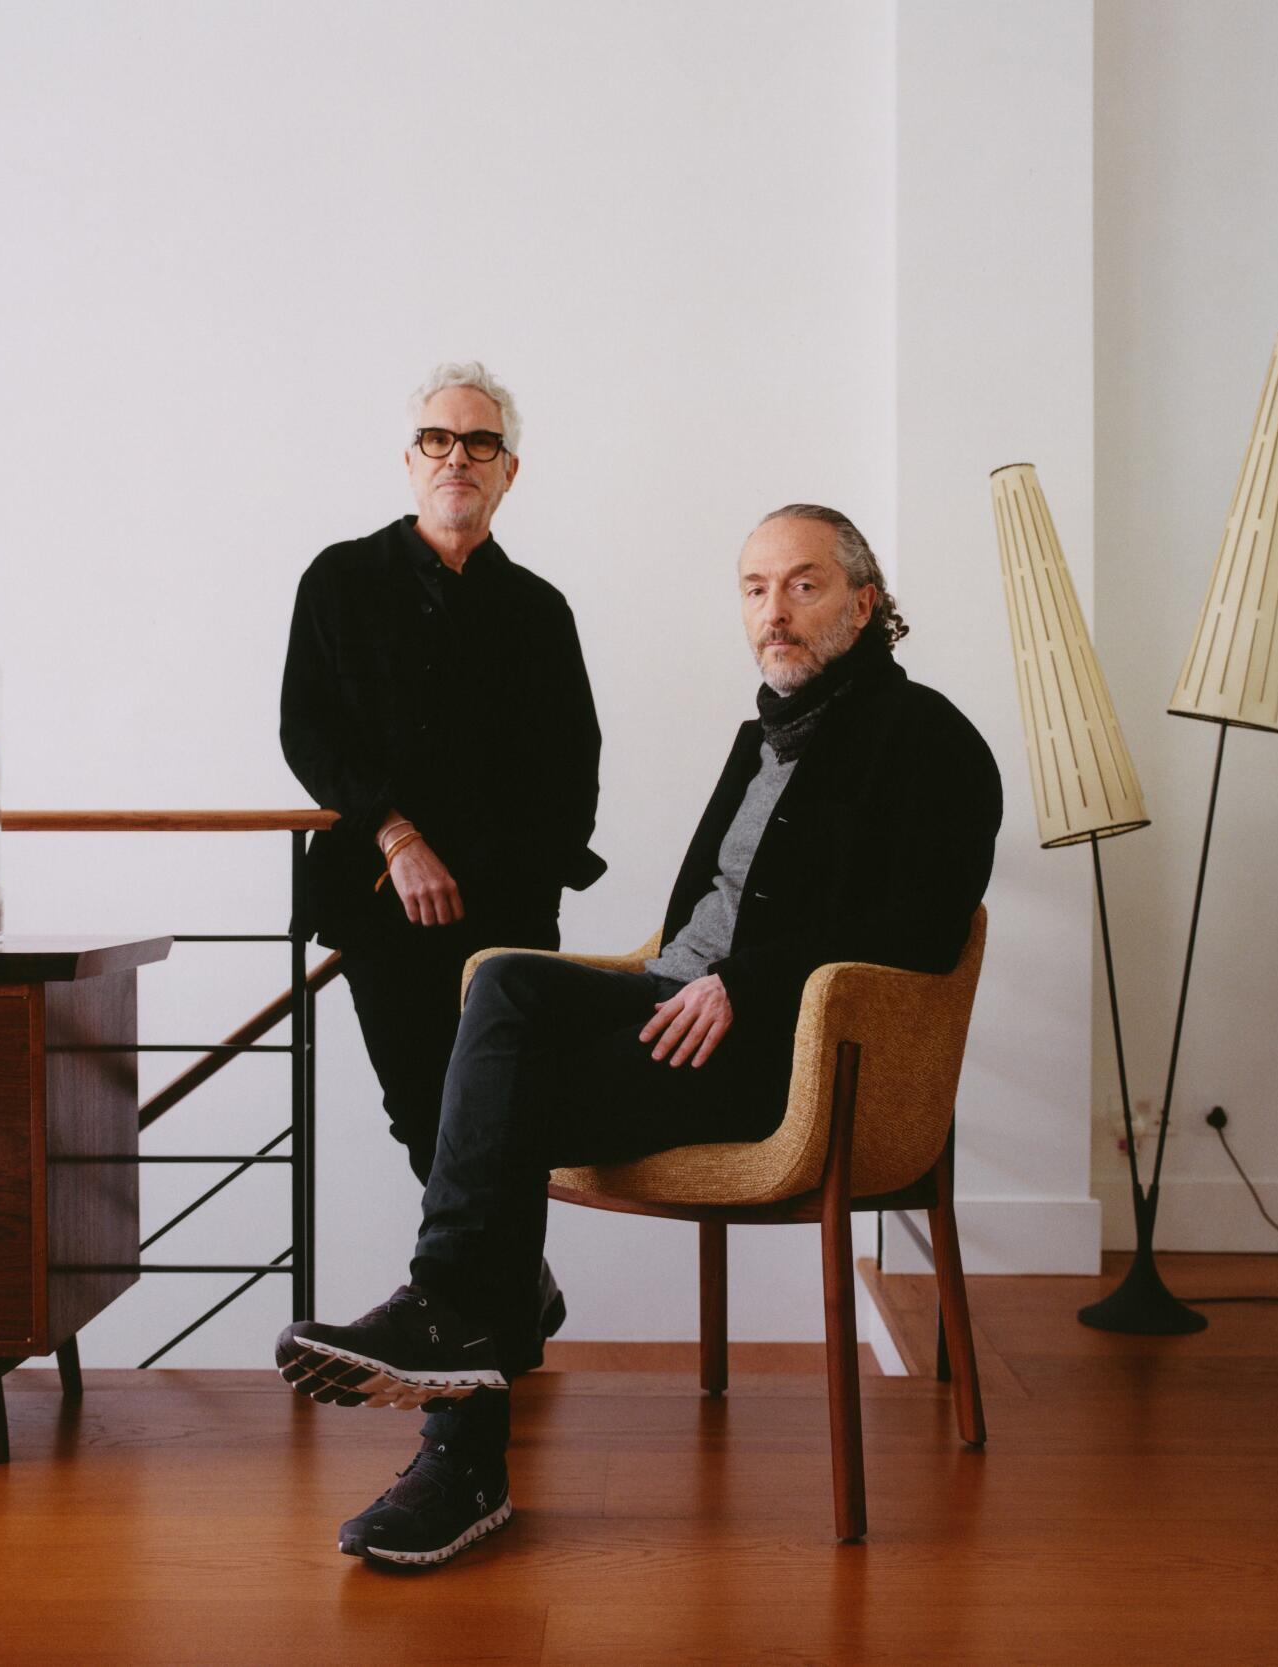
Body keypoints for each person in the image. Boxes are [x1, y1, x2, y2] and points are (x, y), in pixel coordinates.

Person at [278, 503, 1002, 1569]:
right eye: (754, 588)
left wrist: (746, 985)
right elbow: (697, 912)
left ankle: (460, 1441)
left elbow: (923, 920)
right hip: (676, 1002)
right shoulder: (759, 737)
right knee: (509, 986)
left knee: (491, 1121)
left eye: (802, 585)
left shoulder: (930, 739)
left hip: (773, 1053)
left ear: (868, 600)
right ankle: (466, 1309)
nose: (774, 612)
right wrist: (699, 976)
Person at [280, 362, 605, 1346]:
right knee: (421, 1108)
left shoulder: (538, 609)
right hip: (378, 893)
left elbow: (573, 763)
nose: (455, 458)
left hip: (504, 911)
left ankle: (471, 1320)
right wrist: (397, 832)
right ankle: (510, 1291)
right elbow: (310, 731)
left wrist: (512, 877)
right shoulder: (340, 579)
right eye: (437, 439)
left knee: (501, 1116)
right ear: (409, 458)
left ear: (509, 471)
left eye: (478, 443)